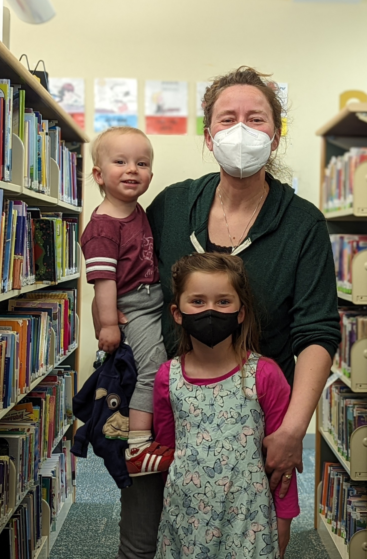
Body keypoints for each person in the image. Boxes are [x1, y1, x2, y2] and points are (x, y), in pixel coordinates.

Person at [105, 66, 339, 558]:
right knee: (145, 540)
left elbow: (317, 330)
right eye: (227, 118)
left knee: (250, 540)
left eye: (256, 119)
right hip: (170, 400)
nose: (241, 130)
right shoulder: (172, 206)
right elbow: (127, 281)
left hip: (255, 417)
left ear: (275, 136)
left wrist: (292, 430)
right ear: (208, 136)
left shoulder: (302, 224)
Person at [153, 252, 298, 559]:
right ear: (177, 313)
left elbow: (283, 464)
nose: (210, 311)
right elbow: (166, 451)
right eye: (197, 301)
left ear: (241, 312)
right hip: (186, 515)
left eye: (222, 302)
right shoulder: (168, 377)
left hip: (249, 518)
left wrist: (284, 519)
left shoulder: (265, 374)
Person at [80, 126, 173, 478]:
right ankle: (137, 446)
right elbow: (103, 281)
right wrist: (107, 323)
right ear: (99, 175)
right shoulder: (104, 227)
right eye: (120, 161)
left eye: (142, 162)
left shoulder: (135, 211)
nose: (133, 169)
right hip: (133, 306)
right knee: (152, 367)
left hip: (152, 298)